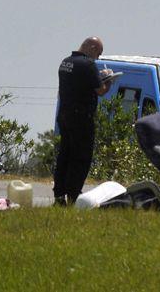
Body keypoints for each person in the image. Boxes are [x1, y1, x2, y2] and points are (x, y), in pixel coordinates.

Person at [53, 37, 114, 205]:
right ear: (92, 47)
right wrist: (109, 81)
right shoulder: (88, 65)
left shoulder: (66, 62)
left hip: (64, 115)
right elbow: (100, 91)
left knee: (64, 155)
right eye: (98, 53)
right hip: (81, 118)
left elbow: (77, 84)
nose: (98, 58)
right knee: (80, 158)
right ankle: (73, 195)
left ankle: (59, 195)